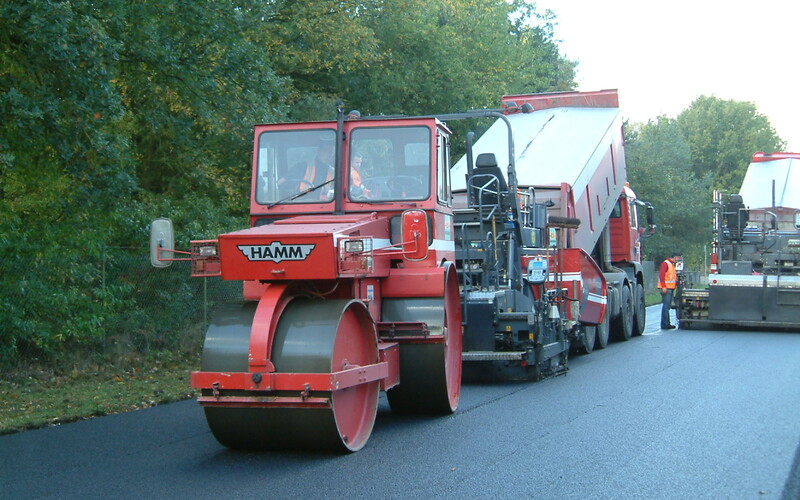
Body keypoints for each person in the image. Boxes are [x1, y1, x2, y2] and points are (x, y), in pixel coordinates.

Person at [658, 252, 682, 330]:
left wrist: (677, 282)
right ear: (674, 257)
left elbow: (671, 278)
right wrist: (663, 287)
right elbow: (662, 276)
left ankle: (666, 323)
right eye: (678, 258)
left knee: (667, 306)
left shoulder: (672, 265)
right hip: (666, 288)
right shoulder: (666, 264)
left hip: (670, 288)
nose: (678, 260)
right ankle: (665, 324)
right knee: (666, 306)